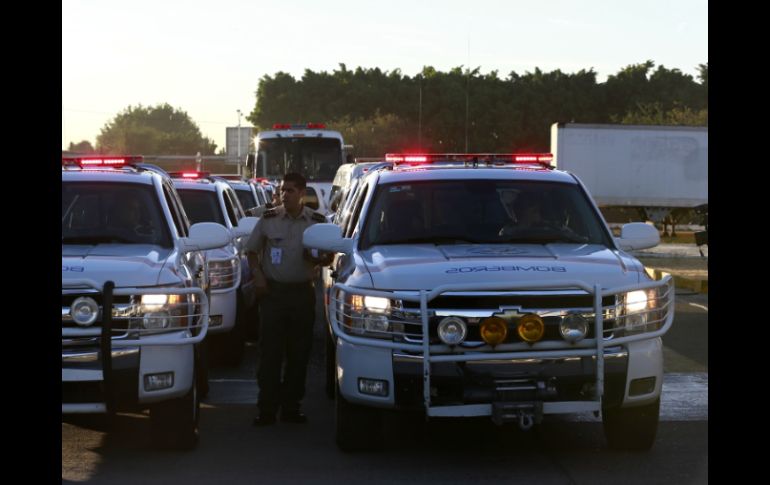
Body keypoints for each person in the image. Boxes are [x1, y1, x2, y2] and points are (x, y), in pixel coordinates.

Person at [245, 172, 332, 426]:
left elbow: (329, 257)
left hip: (302, 294)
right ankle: (267, 408)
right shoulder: (270, 219)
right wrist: (258, 276)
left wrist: (319, 259)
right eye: (283, 190)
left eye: (291, 190)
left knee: (299, 353)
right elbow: (251, 251)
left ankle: (292, 406)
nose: (285, 195)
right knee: (270, 352)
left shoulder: (316, 222)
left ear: (303, 193)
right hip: (273, 294)